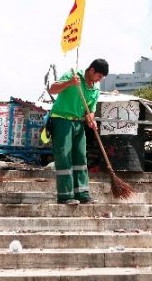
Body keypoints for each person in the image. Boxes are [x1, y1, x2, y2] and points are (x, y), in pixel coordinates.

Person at [48, 58, 109, 205]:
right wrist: (70, 83)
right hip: (61, 120)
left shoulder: (94, 90)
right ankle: (65, 196)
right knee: (64, 156)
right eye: (99, 76)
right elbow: (52, 89)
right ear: (92, 70)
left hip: (77, 123)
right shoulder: (73, 75)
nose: (99, 80)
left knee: (81, 157)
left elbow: (90, 110)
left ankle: (82, 194)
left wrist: (91, 120)